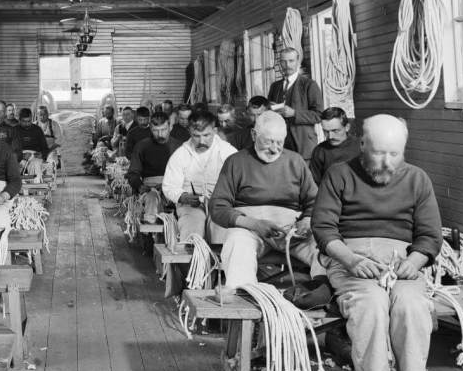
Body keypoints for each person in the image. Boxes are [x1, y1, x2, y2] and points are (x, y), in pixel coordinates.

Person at [312, 114, 442, 371]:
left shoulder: (417, 179)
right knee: (370, 304)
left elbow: (429, 235)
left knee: (412, 306)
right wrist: (351, 260)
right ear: (362, 144)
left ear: (404, 150)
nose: (386, 162)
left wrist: (414, 261)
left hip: (401, 260)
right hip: (351, 258)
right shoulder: (339, 174)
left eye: (394, 154)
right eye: (378, 152)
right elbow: (324, 229)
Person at [209, 111, 320, 288]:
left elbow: (315, 202)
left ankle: (320, 295)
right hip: (250, 230)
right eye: (268, 141)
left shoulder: (296, 161)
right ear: (254, 135)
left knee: (326, 247)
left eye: (279, 142)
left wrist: (307, 220)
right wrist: (254, 224)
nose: (274, 148)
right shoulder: (236, 162)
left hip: (292, 232)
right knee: (237, 245)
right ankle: (244, 299)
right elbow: (217, 207)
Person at [162, 110, 237, 243]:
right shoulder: (181, 155)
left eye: (206, 135)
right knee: (192, 230)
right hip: (190, 205)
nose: (201, 141)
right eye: (196, 136)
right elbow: (169, 186)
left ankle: (220, 260)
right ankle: (192, 259)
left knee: (222, 233)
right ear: (190, 131)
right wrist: (183, 196)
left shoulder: (228, 152)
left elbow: (239, 183)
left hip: (222, 205)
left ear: (214, 130)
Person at [267, 47, 323, 159]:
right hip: (280, 143)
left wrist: (294, 113)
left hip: (303, 144)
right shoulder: (275, 86)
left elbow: (318, 115)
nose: (287, 65)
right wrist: (271, 110)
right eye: (283, 61)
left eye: (291, 61)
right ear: (279, 63)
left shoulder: (309, 85)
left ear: (298, 61)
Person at [127, 112, 181, 194]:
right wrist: (139, 186)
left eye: (163, 129)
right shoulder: (141, 146)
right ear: (150, 129)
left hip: (174, 187)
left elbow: (188, 174)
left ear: (170, 127)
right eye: (156, 130)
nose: (160, 135)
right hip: (150, 188)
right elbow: (133, 173)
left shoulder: (180, 147)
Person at [309, 106, 360, 184]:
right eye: (326, 131)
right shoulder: (319, 151)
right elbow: (314, 184)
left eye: (335, 131)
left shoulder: (362, 147)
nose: (330, 136)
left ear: (347, 127)